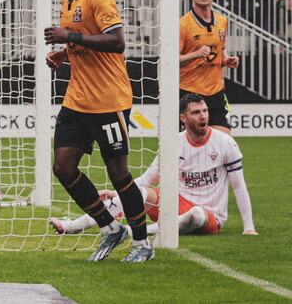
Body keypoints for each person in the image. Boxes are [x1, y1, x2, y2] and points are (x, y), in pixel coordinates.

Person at [43, 0, 153, 262]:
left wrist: (69, 36)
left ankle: (142, 243)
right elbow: (83, 38)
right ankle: (110, 228)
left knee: (118, 173)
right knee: (63, 167)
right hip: (77, 99)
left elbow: (117, 41)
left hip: (108, 100)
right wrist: (65, 51)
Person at [50, 94, 257, 237]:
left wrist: (249, 227)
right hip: (177, 202)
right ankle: (74, 226)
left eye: (205, 111)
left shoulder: (225, 142)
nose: (203, 116)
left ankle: (130, 232)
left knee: (195, 215)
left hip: (210, 215)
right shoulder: (173, 143)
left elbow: (239, 186)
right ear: (183, 118)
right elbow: (148, 179)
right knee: (139, 192)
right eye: (196, 112)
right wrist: (116, 193)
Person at [179, 0, 239, 135]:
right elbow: (172, 61)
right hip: (189, 92)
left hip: (215, 93)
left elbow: (221, 48)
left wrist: (227, 59)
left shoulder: (222, 21)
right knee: (193, 144)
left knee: (224, 141)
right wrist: (195, 54)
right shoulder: (183, 24)